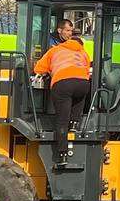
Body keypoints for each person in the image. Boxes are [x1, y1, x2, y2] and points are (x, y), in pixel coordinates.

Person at [33, 26, 91, 166]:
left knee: (61, 120)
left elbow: (38, 69)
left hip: (63, 83)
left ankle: (62, 154)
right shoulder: (83, 53)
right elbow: (87, 70)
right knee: (80, 95)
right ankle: (75, 123)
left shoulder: (55, 49)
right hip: (83, 83)